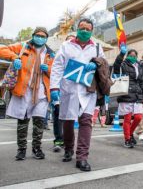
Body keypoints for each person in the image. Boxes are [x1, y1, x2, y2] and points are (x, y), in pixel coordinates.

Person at [50, 18, 105, 172]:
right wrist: (54, 88)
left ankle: (82, 157)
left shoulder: (97, 47)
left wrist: (96, 63)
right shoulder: (66, 46)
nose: (85, 31)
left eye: (88, 29)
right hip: (70, 89)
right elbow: (57, 67)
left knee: (86, 121)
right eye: (82, 28)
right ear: (77, 29)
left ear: (92, 31)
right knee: (68, 120)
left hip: (88, 90)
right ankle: (68, 148)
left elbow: (104, 64)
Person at [0, 27, 54, 160]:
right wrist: (15, 57)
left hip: (41, 93)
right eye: (38, 35)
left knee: (39, 122)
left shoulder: (51, 54)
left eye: (43, 36)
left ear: (46, 39)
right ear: (33, 36)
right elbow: (2, 49)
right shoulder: (23, 47)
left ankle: (37, 148)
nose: (40, 38)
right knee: (22, 122)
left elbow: (57, 72)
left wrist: (48, 69)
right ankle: (21, 150)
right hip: (24, 91)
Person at [113, 46, 143, 148]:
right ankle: (127, 139)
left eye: (134, 56)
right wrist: (121, 54)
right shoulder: (123, 64)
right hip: (126, 94)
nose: (133, 57)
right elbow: (116, 66)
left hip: (137, 94)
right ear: (127, 56)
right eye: (130, 55)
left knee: (138, 117)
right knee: (127, 119)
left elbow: (142, 82)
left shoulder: (139, 65)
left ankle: (130, 134)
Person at [52, 34, 75, 152]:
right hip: (59, 90)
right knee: (58, 115)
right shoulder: (60, 54)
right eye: (69, 40)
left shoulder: (78, 57)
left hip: (73, 92)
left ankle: (68, 142)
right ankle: (59, 140)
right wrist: (54, 89)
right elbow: (55, 71)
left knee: (69, 118)